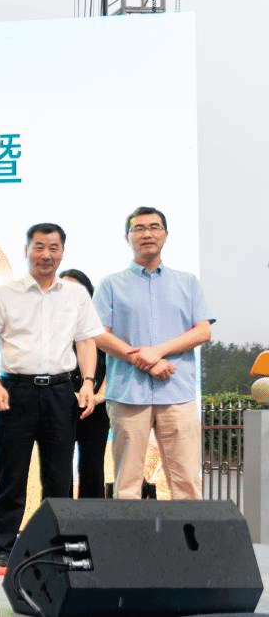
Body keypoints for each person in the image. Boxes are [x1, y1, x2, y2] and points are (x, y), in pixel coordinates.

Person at [0, 223, 101, 567]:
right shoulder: (3, 293)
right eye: (39, 247)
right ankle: (2, 547)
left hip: (61, 391)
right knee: (11, 472)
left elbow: (86, 341)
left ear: (62, 252)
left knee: (59, 475)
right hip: (16, 390)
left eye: (53, 248)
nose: (46, 255)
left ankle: (57, 547)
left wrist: (87, 383)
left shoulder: (76, 295)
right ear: (26, 250)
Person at [93, 206, 213, 500]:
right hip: (128, 393)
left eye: (154, 227)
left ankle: (189, 532)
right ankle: (128, 532)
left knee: (186, 483)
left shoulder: (187, 282)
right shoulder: (110, 284)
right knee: (126, 484)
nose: (147, 233)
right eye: (139, 228)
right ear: (127, 237)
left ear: (166, 234)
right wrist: (143, 360)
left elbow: (202, 331)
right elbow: (98, 334)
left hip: (177, 392)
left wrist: (157, 352)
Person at [59, 269, 110, 499]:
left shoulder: (102, 327)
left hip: (97, 406)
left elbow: (114, 365)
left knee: (92, 469)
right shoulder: (52, 328)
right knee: (59, 469)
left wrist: (98, 397)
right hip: (61, 405)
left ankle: (93, 519)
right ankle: (58, 518)